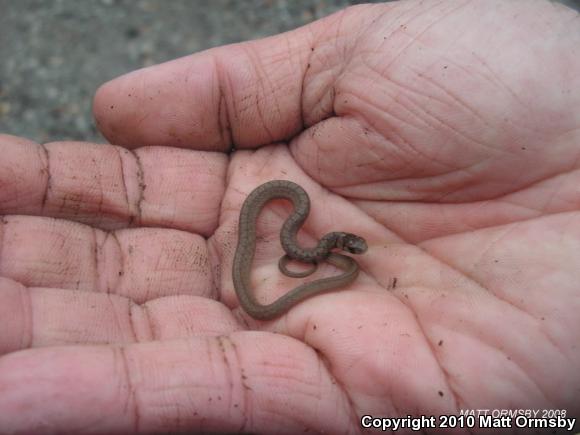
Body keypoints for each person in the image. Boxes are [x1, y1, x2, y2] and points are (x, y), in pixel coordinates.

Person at [0, 0, 579, 432]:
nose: (346, 252)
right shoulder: (295, 221)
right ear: (334, 248)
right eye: (346, 252)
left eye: (344, 253)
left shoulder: (307, 237)